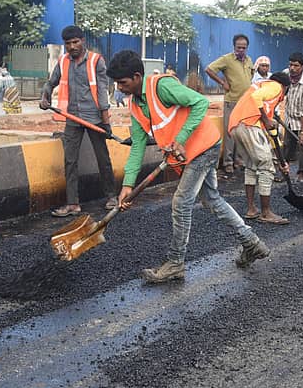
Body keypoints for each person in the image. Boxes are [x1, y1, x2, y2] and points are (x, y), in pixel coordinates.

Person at [108, 50, 270, 283]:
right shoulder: (135, 105)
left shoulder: (161, 87)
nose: (119, 87)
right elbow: (137, 147)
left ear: (136, 76)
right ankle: (252, 243)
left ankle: (175, 263)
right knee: (212, 200)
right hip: (191, 154)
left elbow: (199, 102)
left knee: (181, 203)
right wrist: (127, 185)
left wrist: (181, 139)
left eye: (122, 82)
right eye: (116, 83)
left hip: (204, 147)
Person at [40, 25, 117, 216]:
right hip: (72, 117)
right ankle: (73, 204)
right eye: (68, 44)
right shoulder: (64, 61)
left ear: (83, 41)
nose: (72, 46)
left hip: (94, 118)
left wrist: (106, 122)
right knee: (70, 161)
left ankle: (111, 197)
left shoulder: (96, 61)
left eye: (75, 42)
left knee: (103, 159)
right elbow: (51, 82)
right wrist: (45, 95)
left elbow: (101, 92)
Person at [229, 71, 291, 225]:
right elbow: (256, 98)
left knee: (251, 166)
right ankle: (266, 212)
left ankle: (251, 209)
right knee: (266, 167)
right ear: (286, 87)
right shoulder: (276, 86)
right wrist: (265, 118)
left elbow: (271, 136)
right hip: (249, 125)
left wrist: (281, 161)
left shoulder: (259, 86)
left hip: (236, 126)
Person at [205, 34, 254, 179]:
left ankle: (239, 160)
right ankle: (227, 163)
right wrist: (222, 83)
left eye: (244, 48)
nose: (241, 50)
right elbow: (209, 69)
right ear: (234, 47)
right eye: (238, 47)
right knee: (230, 132)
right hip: (231, 101)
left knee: (242, 132)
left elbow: (250, 75)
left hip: (245, 102)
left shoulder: (249, 60)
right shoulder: (227, 59)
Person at [281, 52, 303, 182]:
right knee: (287, 145)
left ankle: (301, 174)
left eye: (296, 66)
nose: (292, 68)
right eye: (291, 65)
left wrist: (302, 132)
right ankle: (285, 171)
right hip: (289, 118)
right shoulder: (285, 74)